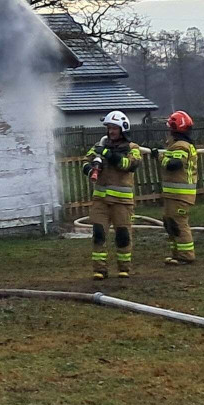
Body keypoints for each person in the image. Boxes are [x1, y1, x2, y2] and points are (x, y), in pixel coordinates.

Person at [82, 110, 141, 279]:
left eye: (114, 128)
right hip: (100, 200)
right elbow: (85, 161)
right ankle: (99, 269)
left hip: (122, 202)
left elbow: (129, 164)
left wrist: (109, 154)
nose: (111, 131)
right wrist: (90, 169)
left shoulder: (133, 148)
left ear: (123, 129)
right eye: (109, 128)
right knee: (98, 233)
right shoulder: (100, 145)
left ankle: (124, 268)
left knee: (123, 235)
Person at [159, 110, 198, 266]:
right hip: (174, 194)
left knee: (179, 223)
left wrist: (160, 157)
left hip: (180, 195)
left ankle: (186, 255)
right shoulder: (179, 145)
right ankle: (177, 254)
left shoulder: (181, 146)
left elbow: (174, 164)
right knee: (170, 223)